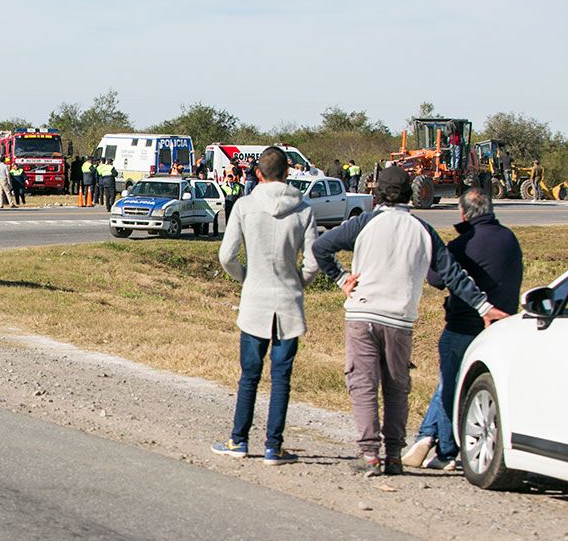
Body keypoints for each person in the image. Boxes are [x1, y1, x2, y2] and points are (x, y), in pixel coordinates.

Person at [312, 164, 509, 477]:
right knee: (396, 388)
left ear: (377, 195)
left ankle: (369, 454)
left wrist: (341, 278)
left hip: (362, 314)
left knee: (363, 385)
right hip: (400, 320)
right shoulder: (423, 230)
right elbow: (453, 275)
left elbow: (321, 246)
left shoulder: (365, 222)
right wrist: (484, 307)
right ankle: (393, 455)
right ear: (409, 195)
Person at [402, 189, 522, 470]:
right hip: (500, 329)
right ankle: (424, 438)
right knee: (449, 383)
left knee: (449, 386)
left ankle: (446, 451)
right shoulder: (510, 239)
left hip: (463, 326)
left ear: (463, 214)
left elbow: (435, 279)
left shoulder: (464, 243)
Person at [212, 147, 319, 465]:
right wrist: (298, 281)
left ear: (258, 173)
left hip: (255, 299)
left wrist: (245, 277)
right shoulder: (303, 209)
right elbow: (313, 262)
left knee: (249, 375)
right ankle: (274, 446)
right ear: (288, 172)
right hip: (288, 301)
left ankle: (239, 440)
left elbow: (226, 255)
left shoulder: (245, 205)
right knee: (281, 377)